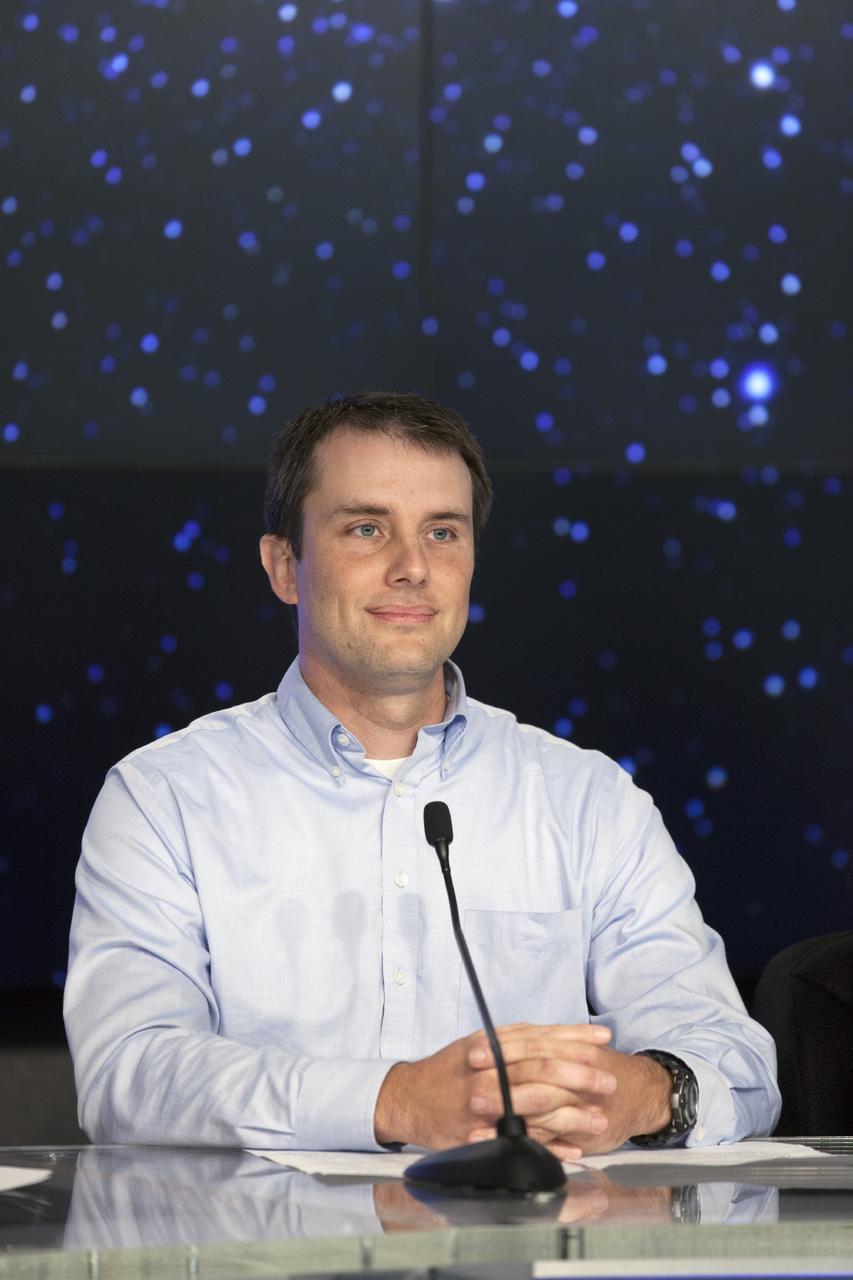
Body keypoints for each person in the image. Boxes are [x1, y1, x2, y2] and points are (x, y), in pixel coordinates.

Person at [65, 391, 780, 1157]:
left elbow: (739, 1070)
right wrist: (392, 1102)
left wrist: (642, 1093)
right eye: (366, 529)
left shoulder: (588, 800)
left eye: (442, 532)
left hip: (528, 1257)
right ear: (283, 566)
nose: (412, 568)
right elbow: (128, 1075)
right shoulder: (163, 797)